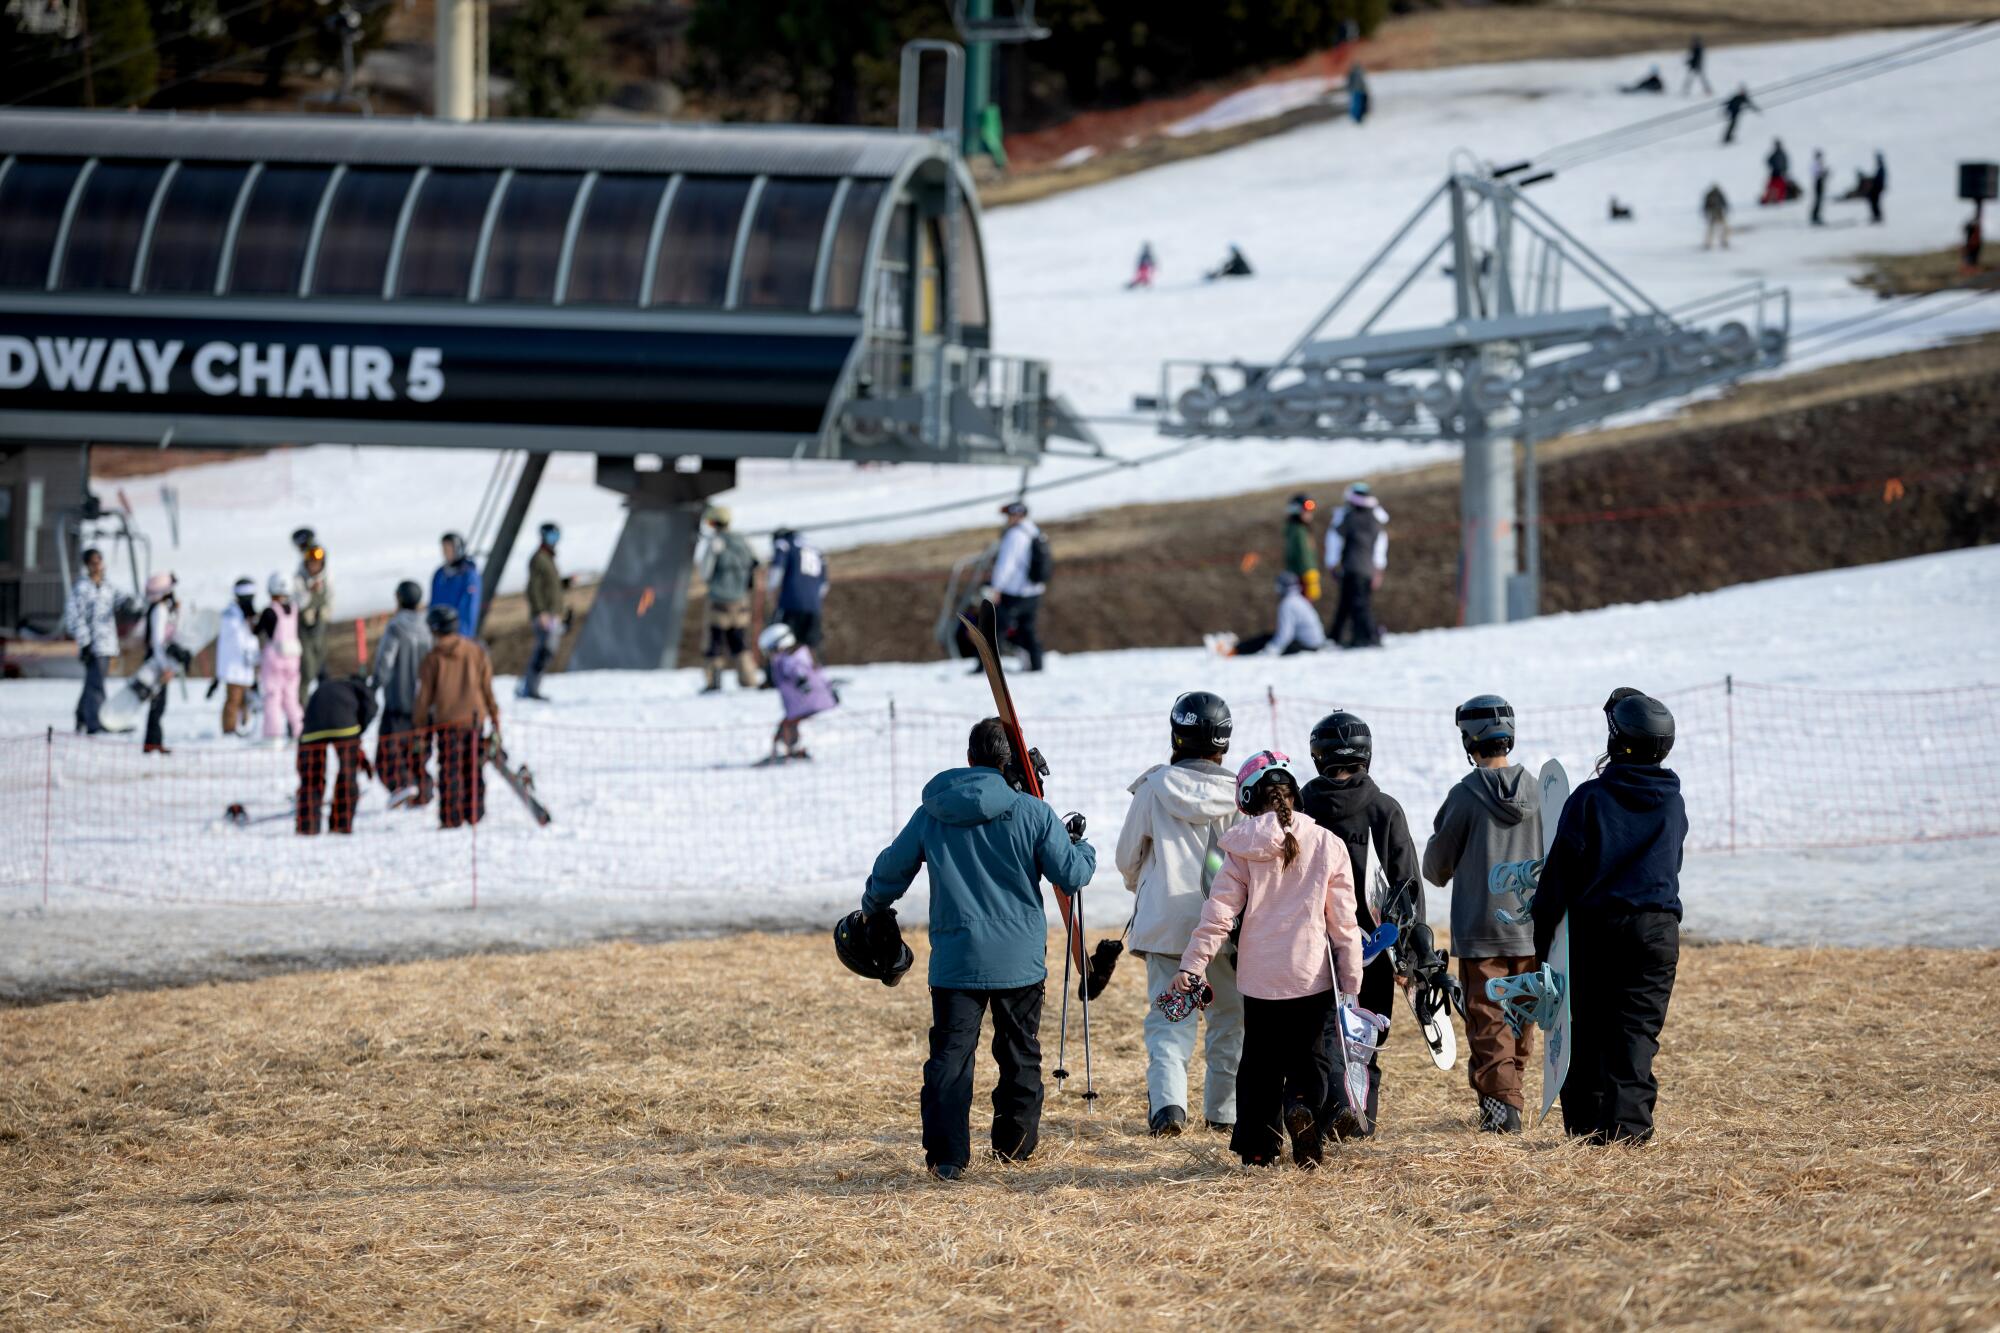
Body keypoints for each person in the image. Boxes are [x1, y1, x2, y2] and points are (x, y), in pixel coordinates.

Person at [860, 717, 1097, 1181]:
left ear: (969, 759)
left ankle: (947, 1158)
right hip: (1020, 960)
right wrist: (1083, 848)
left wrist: (872, 907)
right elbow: (1071, 875)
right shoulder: (1034, 812)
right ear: (1012, 762)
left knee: (951, 1057)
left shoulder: (933, 812)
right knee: (1020, 1052)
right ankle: (1015, 1146)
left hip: (957, 959)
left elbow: (891, 869)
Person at [1171, 751, 1365, 1168]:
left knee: (1259, 1065)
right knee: (1310, 1058)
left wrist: (1192, 965)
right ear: (1294, 793)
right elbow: (1344, 924)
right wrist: (1351, 983)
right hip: (1311, 976)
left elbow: (1218, 915)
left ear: (1247, 799)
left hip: (1259, 979)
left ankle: (1258, 1149)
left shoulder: (1241, 846)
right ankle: (1302, 1107)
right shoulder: (1328, 844)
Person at [1532, 692, 1687, 1144]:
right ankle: (1629, 1129)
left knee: (1588, 1028)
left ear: (1616, 741)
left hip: (1597, 929)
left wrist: (1543, 941)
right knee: (1637, 1031)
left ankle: (1587, 1128)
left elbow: (1559, 877)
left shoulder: (1590, 798)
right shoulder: (1672, 801)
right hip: (1657, 931)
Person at [1114, 692, 1245, 1138]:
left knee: (1170, 1019)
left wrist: (1145, 887)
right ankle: (1224, 1112)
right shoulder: (1241, 794)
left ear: (1177, 735)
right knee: (1229, 1019)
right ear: (1224, 740)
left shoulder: (1153, 788)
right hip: (1224, 926)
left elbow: (1127, 857)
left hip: (1166, 925)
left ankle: (1169, 1107)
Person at [1421, 695, 1543, 1134]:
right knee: (1522, 1016)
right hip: (1532, 929)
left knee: (1488, 1016)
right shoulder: (1542, 790)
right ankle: (1510, 1096)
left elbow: (1435, 869)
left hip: (1481, 930)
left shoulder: (1465, 795)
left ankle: (1501, 1108)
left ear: (1468, 740)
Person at [1298, 710, 1421, 1137]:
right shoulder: (1385, 810)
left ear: (1317, 756)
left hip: (1310, 947)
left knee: (1317, 1037)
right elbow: (1406, 887)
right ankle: (1358, 1120)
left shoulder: (1298, 809)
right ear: (1367, 754)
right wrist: (1409, 956)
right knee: (1364, 1035)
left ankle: (1324, 1114)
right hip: (1374, 951)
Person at [412, 604, 499, 830]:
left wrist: (419, 727)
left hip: (447, 723)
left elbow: (423, 698)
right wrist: (494, 716)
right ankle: (475, 813)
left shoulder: (432, 658)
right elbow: (487, 688)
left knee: (450, 770)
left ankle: (451, 817)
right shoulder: (476, 651)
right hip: (474, 720)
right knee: (474, 768)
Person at [371, 579, 434, 803]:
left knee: (388, 754)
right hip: (424, 705)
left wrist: (375, 685)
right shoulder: (429, 626)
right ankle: (423, 792)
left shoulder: (396, 627)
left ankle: (401, 786)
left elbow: (385, 662)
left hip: (397, 703)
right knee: (418, 752)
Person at [296, 674, 376, 836]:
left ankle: (308, 825)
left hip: (313, 725)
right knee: (348, 773)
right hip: (345, 726)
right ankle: (341, 823)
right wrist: (359, 729)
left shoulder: (323, 687)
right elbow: (372, 708)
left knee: (312, 776)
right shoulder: (360, 688)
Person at [698, 506, 761, 693]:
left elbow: (705, 572)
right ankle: (749, 679)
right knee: (739, 642)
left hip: (718, 603)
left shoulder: (716, 543)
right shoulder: (743, 541)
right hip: (741, 602)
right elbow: (756, 562)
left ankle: (714, 682)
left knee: (714, 643)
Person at [758, 622, 836, 763]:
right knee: (786, 726)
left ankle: (791, 753)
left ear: (778, 645)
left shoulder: (789, 658)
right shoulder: (798, 654)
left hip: (808, 701)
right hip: (805, 701)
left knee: (787, 726)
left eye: (769, 651)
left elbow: (797, 670)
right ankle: (789, 751)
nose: (768, 656)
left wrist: (802, 681)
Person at [1325, 482, 1388, 648]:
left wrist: (1332, 564)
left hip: (1352, 568)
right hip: (1367, 569)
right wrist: (1378, 570)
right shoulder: (1375, 519)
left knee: (1359, 605)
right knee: (1348, 603)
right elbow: (1380, 548)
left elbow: (1334, 540)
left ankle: (1368, 637)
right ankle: (1337, 636)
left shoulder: (1349, 518)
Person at [63, 546, 119, 734]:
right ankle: (95, 721)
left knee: (92, 682)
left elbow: (120, 601)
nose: (97, 566)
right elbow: (73, 617)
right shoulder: (81, 588)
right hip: (92, 645)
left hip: (107, 643)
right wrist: (84, 641)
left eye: (99, 562)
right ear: (87, 565)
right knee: (96, 685)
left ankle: (81, 716)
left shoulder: (108, 587)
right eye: (93, 563)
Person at [990, 501, 1048, 673]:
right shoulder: (1035, 531)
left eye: (1009, 515)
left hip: (1015, 592)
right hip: (1034, 591)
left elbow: (1006, 564)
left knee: (996, 628)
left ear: (1016, 515)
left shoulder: (1015, 535)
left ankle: (988, 667)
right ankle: (1037, 665)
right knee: (1027, 629)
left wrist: (996, 587)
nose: (1007, 519)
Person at [139, 571, 191, 755]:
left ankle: (154, 743)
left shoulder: (161, 609)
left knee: (159, 705)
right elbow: (158, 642)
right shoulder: (159, 610)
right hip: (157, 663)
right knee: (157, 705)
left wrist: (178, 611)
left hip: (158, 662)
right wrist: (165, 667)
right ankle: (152, 744)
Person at [255, 573, 305, 744]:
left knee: (273, 697)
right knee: (291, 698)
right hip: (293, 660)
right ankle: (300, 732)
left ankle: (273, 735)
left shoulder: (270, 611)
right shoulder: (294, 609)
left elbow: (257, 630)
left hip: (274, 659)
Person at [1226, 573, 1325, 657]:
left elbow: (1286, 634)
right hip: (1315, 644)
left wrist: (1271, 649)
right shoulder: (1299, 599)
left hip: (1306, 647)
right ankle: (1236, 649)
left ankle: (1235, 651)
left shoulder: (1288, 604)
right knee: (1269, 638)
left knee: (1265, 639)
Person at [519, 522, 564, 702]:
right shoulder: (539, 558)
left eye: (556, 536)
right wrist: (540, 612)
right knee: (543, 652)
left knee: (547, 651)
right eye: (551, 536)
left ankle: (531, 687)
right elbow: (533, 588)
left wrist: (566, 583)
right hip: (545, 615)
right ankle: (530, 689)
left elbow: (550, 586)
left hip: (553, 613)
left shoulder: (548, 558)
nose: (554, 540)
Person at [767, 527, 828, 655]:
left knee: (783, 642)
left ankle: (785, 668)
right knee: (811, 646)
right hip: (814, 606)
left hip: (790, 602)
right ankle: (813, 667)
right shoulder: (816, 550)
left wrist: (771, 591)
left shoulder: (784, 544)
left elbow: (777, 571)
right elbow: (824, 585)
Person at [215, 577, 262, 736]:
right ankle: (229, 730)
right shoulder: (230, 615)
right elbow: (238, 640)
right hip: (234, 666)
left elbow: (253, 638)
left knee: (245, 700)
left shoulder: (247, 614)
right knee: (233, 699)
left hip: (246, 666)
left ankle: (243, 727)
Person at [293, 536, 333, 709]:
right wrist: (310, 592)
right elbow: (298, 602)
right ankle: (301, 708)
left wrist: (323, 613)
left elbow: (331, 601)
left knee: (322, 669)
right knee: (306, 671)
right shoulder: (299, 579)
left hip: (320, 630)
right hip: (304, 632)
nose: (314, 567)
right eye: (311, 563)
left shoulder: (327, 579)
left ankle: (325, 706)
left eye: (317, 563)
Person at [430, 532, 482, 641]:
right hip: (438, 634)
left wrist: (464, 636)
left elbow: (469, 609)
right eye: (444, 549)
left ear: (458, 549)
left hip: (459, 635)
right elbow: (433, 603)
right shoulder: (439, 574)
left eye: (449, 549)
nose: (445, 552)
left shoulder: (468, 575)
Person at [1283, 493, 1318, 600]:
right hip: (1302, 578)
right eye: (1306, 511)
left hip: (1298, 577)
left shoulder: (1296, 529)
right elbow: (1303, 554)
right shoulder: (1299, 532)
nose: (1309, 514)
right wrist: (1310, 573)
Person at [1761, 139, 1792, 205]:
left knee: (1776, 186)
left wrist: (1782, 169)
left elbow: (1785, 163)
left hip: (1778, 173)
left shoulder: (1780, 154)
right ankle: (1771, 198)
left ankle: (1775, 198)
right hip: (1777, 173)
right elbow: (1769, 161)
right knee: (1774, 186)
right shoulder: (1779, 154)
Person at [1702, 184, 1730, 251]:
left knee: (1722, 228)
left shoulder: (1717, 194)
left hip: (1718, 213)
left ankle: (1722, 241)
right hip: (1714, 213)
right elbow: (1706, 206)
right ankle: (1709, 243)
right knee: (1712, 229)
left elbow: (1724, 203)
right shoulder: (1711, 195)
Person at [1810, 149, 1829, 226]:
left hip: (1820, 183)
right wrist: (1823, 173)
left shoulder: (1820, 163)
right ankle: (1815, 217)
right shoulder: (1816, 164)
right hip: (1818, 183)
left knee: (1820, 201)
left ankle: (1817, 216)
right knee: (1818, 200)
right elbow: (1816, 174)